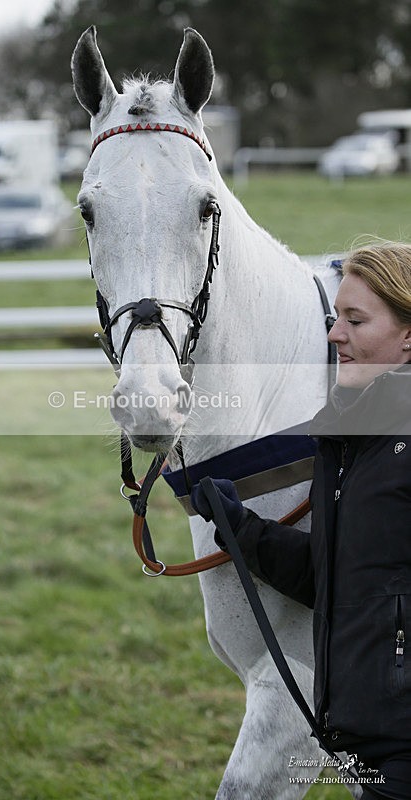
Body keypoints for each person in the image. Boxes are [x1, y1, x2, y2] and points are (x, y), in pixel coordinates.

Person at [191, 242, 411, 799]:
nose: (334, 335)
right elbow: (339, 581)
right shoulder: (353, 443)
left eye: (356, 320)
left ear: (408, 336)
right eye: (337, 318)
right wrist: (241, 529)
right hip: (370, 742)